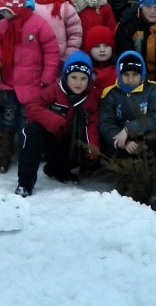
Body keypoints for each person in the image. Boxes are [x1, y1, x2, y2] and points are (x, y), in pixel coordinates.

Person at [0, 0, 60, 174]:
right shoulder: (4, 25)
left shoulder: (38, 25)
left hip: (32, 84)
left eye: (5, 10)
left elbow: (52, 52)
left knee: (26, 122)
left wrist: (47, 78)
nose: (2, 14)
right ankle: (4, 155)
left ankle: (25, 154)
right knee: (6, 121)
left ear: (16, 9)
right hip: (10, 84)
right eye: (1, 11)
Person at [15, 50, 101, 197]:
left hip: (69, 141)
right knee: (33, 130)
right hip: (50, 136)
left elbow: (91, 124)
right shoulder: (55, 90)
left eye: (83, 78)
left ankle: (56, 170)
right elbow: (32, 108)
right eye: (74, 77)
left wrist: (93, 148)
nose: (78, 82)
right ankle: (25, 183)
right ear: (66, 76)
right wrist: (55, 121)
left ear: (89, 79)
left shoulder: (91, 98)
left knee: (81, 149)